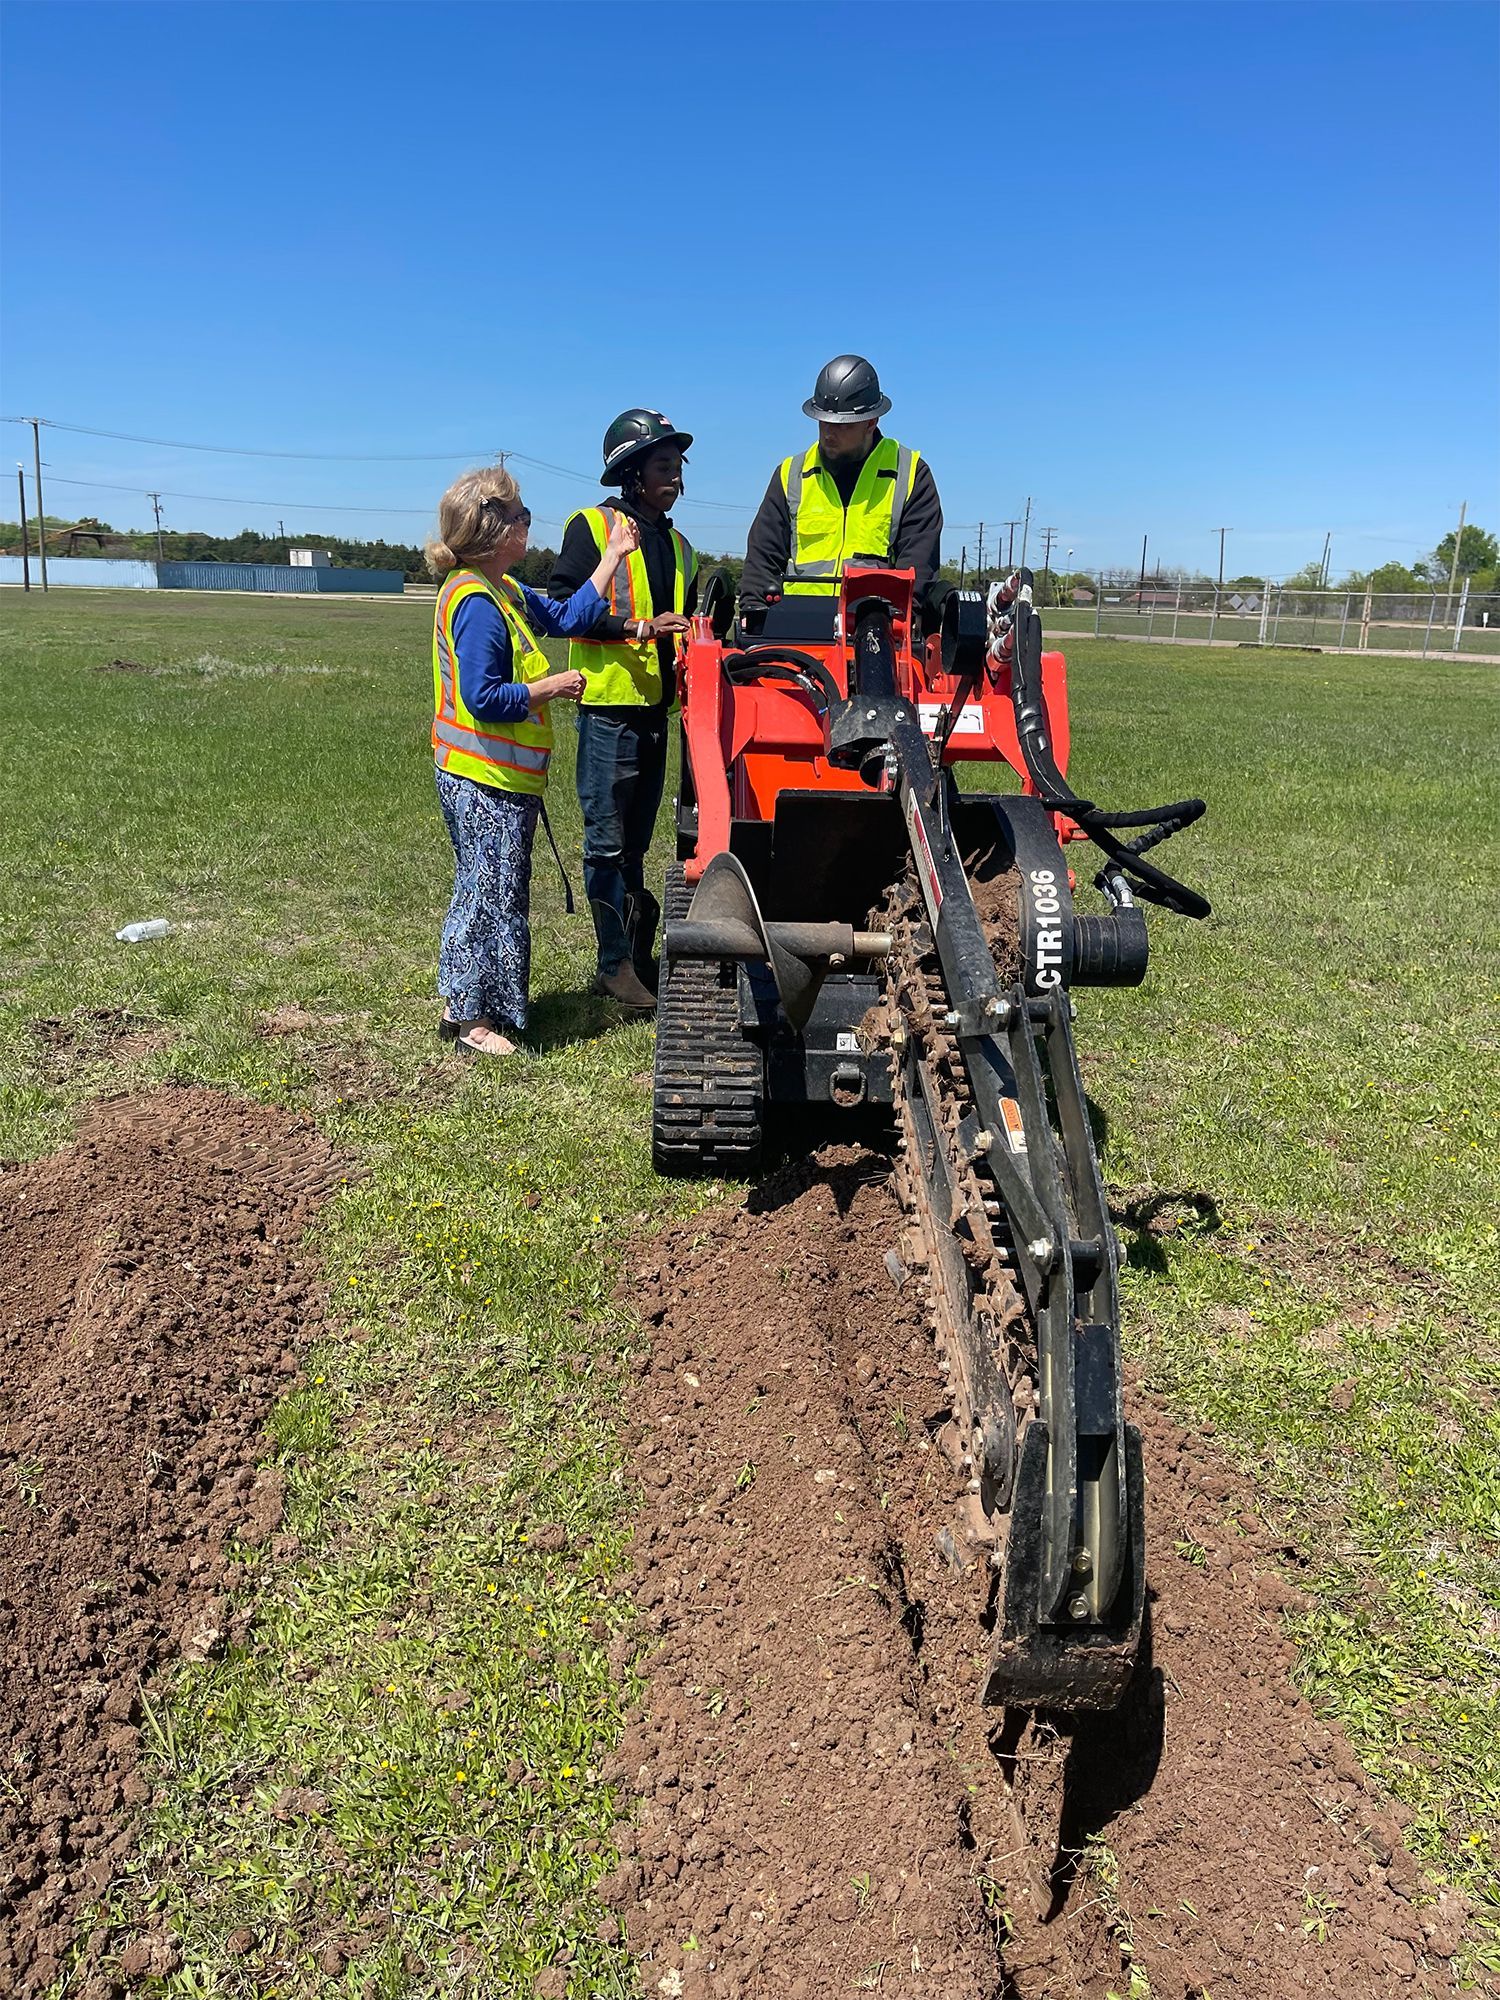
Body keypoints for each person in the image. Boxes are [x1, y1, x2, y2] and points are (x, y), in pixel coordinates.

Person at [428, 465, 640, 1058]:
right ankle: (476, 1020)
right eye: (522, 518)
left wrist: (613, 557)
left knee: (483, 887)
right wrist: (551, 688)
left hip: (498, 774)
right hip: (482, 775)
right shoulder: (475, 601)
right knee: (492, 893)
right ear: (492, 531)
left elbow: (569, 617)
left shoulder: (506, 590)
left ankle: (461, 998)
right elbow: (483, 697)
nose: (529, 525)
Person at [549, 410, 698, 1010]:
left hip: (658, 716)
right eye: (664, 466)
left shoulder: (681, 547)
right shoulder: (590, 528)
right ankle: (614, 966)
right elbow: (563, 606)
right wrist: (637, 627)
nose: (676, 478)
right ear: (631, 472)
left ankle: (635, 957)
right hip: (609, 713)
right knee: (607, 845)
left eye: (678, 467)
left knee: (636, 847)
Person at [738, 354, 943, 631]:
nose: (829, 433)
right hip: (798, 633)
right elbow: (762, 556)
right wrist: (754, 611)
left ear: (871, 422)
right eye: (823, 422)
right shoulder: (791, 474)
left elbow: (918, 569)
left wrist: (892, 628)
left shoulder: (910, 475)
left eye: (841, 425)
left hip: (875, 633)